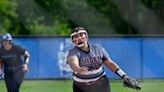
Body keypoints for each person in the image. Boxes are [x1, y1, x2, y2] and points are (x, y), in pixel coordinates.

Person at [67, 27, 141, 92]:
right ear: (73, 40)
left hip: (100, 83)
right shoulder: (73, 52)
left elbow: (109, 63)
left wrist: (124, 76)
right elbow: (73, 63)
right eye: (75, 36)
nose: (79, 38)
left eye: (81, 35)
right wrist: (78, 69)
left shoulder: (97, 49)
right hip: (81, 86)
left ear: (86, 36)